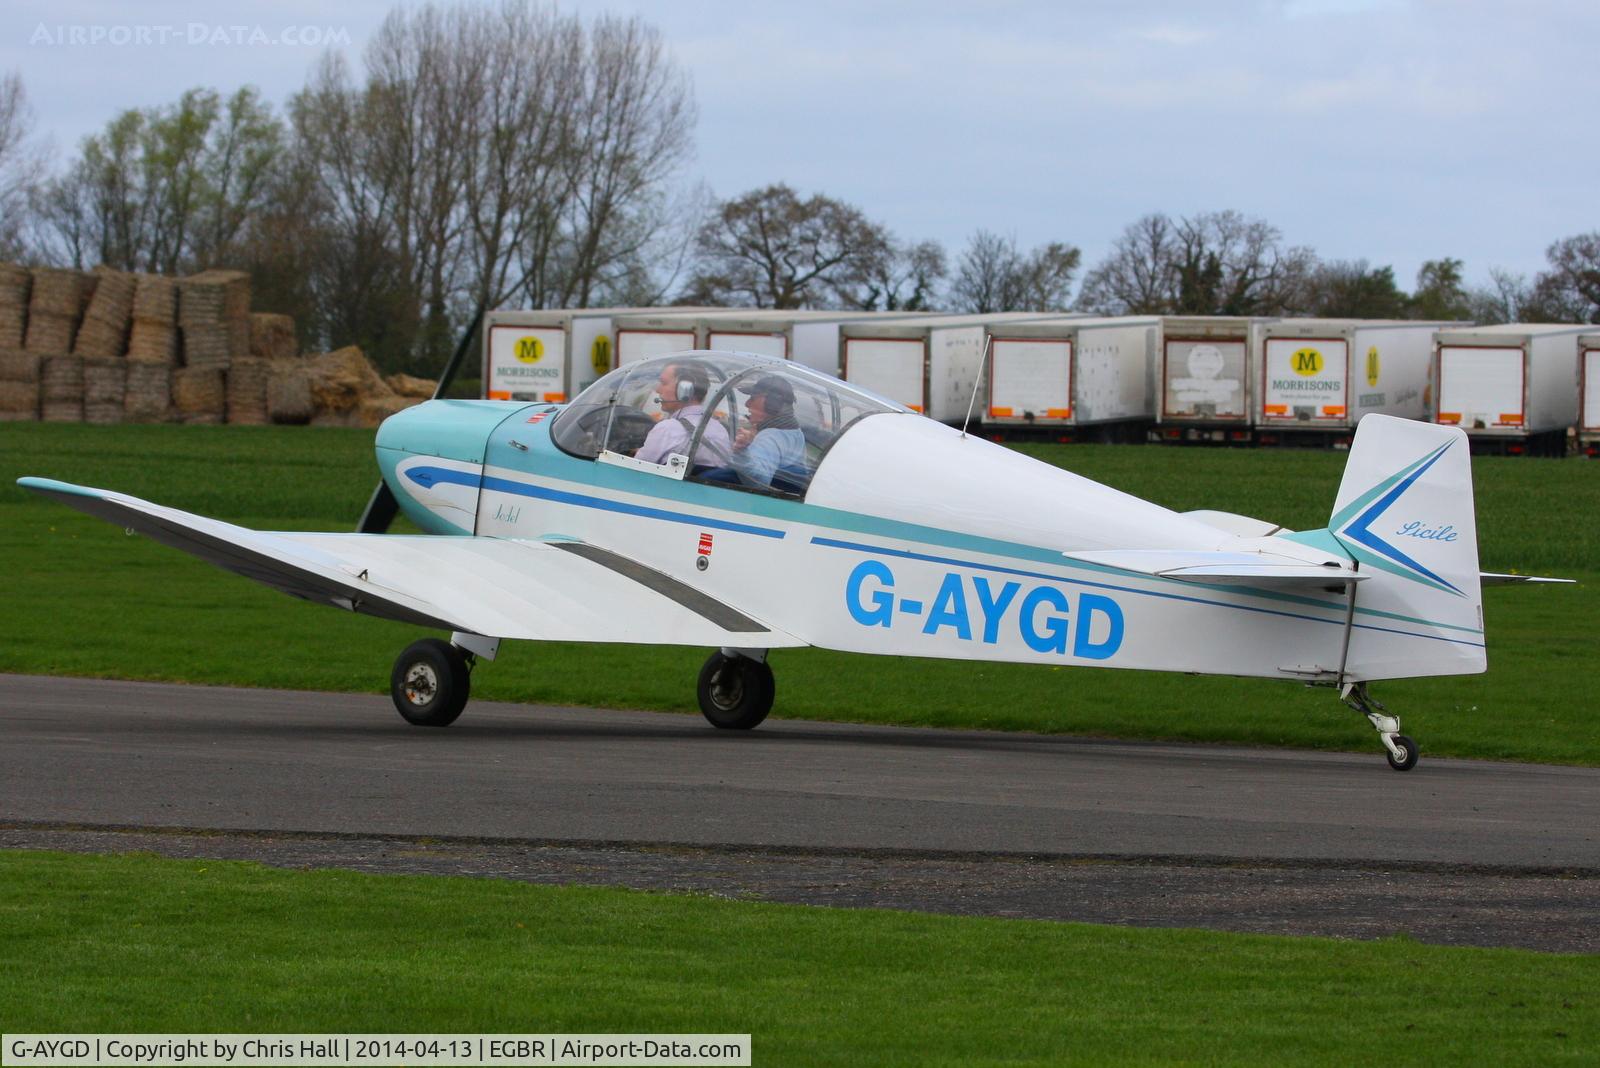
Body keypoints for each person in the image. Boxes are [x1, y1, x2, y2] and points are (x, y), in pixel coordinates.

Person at [634, 361, 731, 468]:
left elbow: (635, 470)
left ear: (685, 388)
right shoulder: (720, 430)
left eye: (664, 383)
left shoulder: (667, 429)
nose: (658, 390)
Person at [731, 375, 807, 489]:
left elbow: (759, 483)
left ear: (772, 403)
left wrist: (741, 451)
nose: (747, 404)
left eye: (752, 398)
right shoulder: (794, 431)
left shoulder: (769, 437)